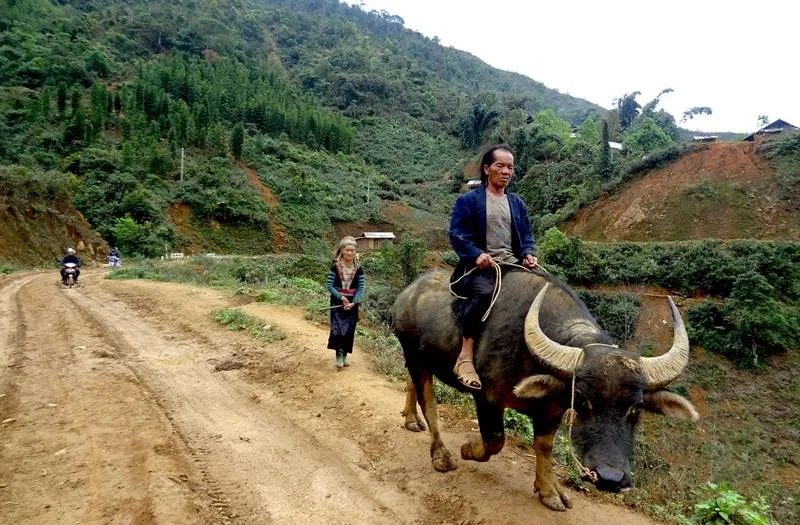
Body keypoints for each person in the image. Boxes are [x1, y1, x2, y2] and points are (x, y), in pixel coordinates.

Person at [449, 144, 538, 390]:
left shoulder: (517, 203)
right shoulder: (468, 201)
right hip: (479, 268)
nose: (506, 171)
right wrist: (476, 254)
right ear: (487, 169)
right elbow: (457, 235)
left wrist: (528, 254)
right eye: (500, 166)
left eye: (510, 167)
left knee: (546, 291)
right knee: (484, 294)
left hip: (512, 266)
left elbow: (527, 236)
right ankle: (465, 356)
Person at [326, 236, 366, 369]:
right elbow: (330, 285)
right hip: (338, 304)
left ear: (355, 252)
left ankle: (345, 356)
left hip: (352, 305)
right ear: (342, 250)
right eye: (347, 250)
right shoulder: (335, 267)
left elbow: (360, 287)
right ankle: (338, 355)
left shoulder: (359, 269)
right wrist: (341, 298)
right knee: (338, 331)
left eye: (352, 250)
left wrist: (354, 302)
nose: (350, 253)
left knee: (349, 331)